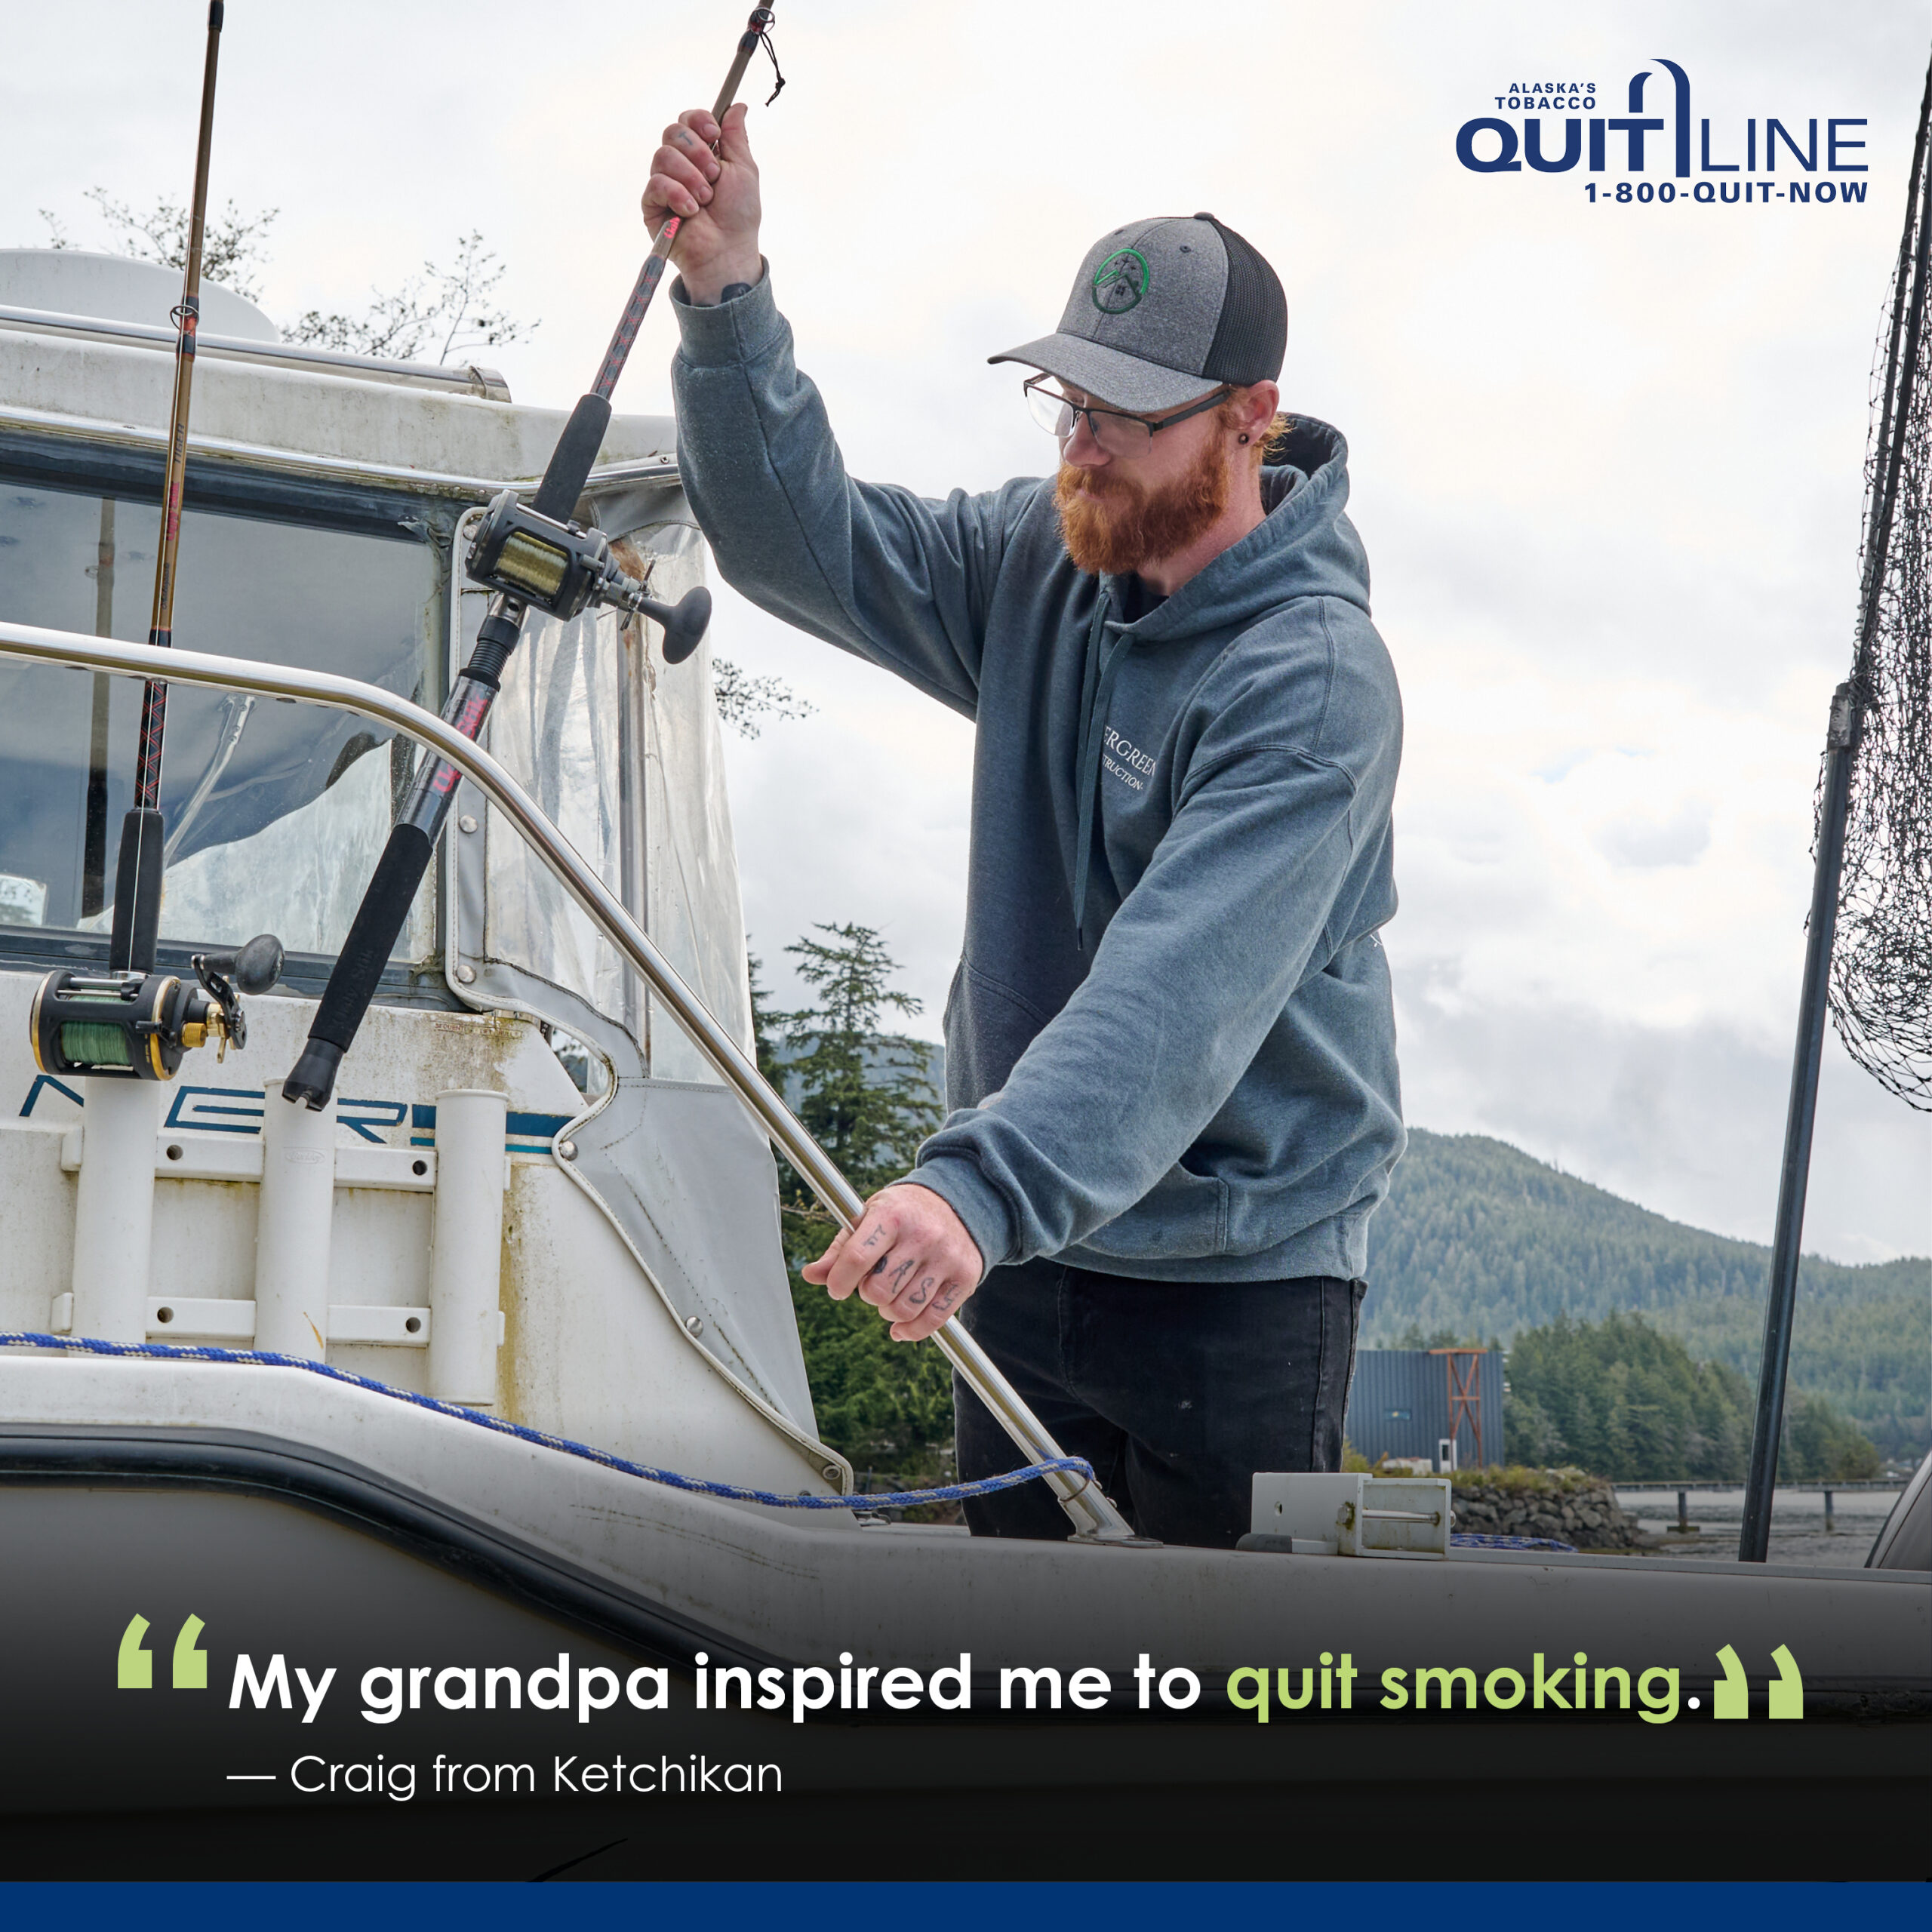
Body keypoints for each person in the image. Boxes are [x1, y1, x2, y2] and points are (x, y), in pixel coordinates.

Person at [645, 104, 1404, 1549]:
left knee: (1245, 1709)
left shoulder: (1312, 686)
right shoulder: (1042, 556)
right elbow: (798, 544)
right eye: (1069, 403)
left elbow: (1174, 996)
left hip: (1248, 1291)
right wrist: (724, 294)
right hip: (1026, 1251)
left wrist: (974, 1188)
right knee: (1028, 1688)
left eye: (1123, 416)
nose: (1083, 445)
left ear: (1252, 417)